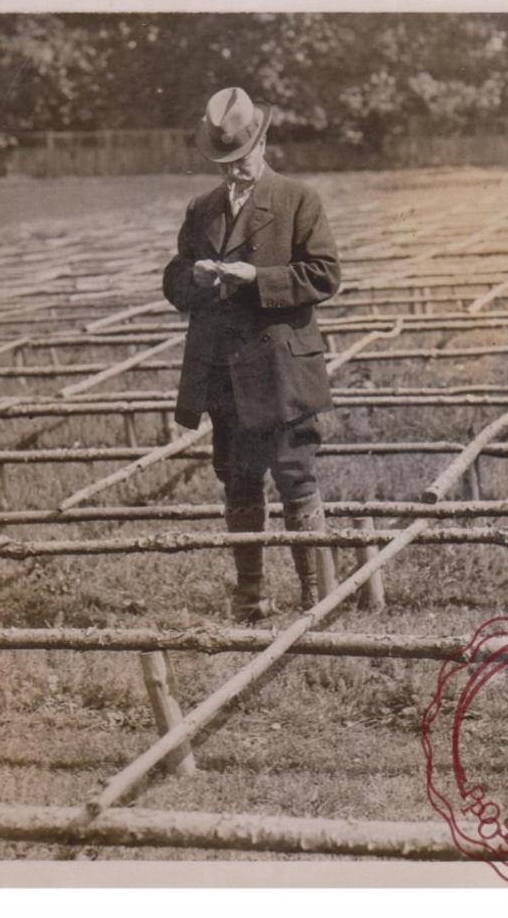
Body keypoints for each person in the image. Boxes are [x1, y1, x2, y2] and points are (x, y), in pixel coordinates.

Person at [162, 86, 341, 622]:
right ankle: (251, 595)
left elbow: (325, 275)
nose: (235, 171)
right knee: (238, 480)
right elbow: (173, 280)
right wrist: (191, 277)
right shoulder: (202, 210)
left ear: (261, 146)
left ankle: (317, 597)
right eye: (225, 163)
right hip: (223, 370)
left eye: (241, 160)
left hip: (281, 367)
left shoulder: (296, 199)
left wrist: (258, 279)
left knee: (295, 475)